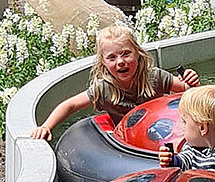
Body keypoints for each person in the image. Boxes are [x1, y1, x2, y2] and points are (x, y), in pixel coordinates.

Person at [30, 24, 199, 140]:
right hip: (128, 140)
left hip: (162, 134)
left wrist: (192, 83)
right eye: (112, 57)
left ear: (137, 54)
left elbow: (189, 93)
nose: (120, 62)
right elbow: (71, 105)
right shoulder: (104, 89)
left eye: (126, 54)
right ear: (103, 62)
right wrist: (46, 127)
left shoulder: (154, 78)